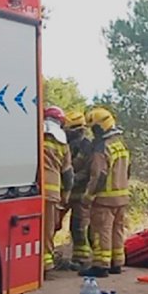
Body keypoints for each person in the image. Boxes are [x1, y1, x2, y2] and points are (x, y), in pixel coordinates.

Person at [81, 107, 131, 278]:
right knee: (117, 230)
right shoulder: (120, 144)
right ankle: (116, 263)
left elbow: (99, 175)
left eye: (93, 128)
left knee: (101, 231)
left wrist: (89, 196)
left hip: (104, 199)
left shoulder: (101, 147)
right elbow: (128, 170)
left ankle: (101, 265)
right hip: (121, 197)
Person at [41, 106, 74, 275]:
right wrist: (66, 194)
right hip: (51, 193)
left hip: (32, 192)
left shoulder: (37, 137)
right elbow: (68, 174)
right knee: (47, 231)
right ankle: (45, 267)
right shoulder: (63, 144)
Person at [64, 110, 93, 269]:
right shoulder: (64, 144)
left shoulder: (87, 146)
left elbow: (88, 171)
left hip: (80, 194)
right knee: (52, 225)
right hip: (65, 192)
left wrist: (72, 180)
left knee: (78, 227)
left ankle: (81, 260)